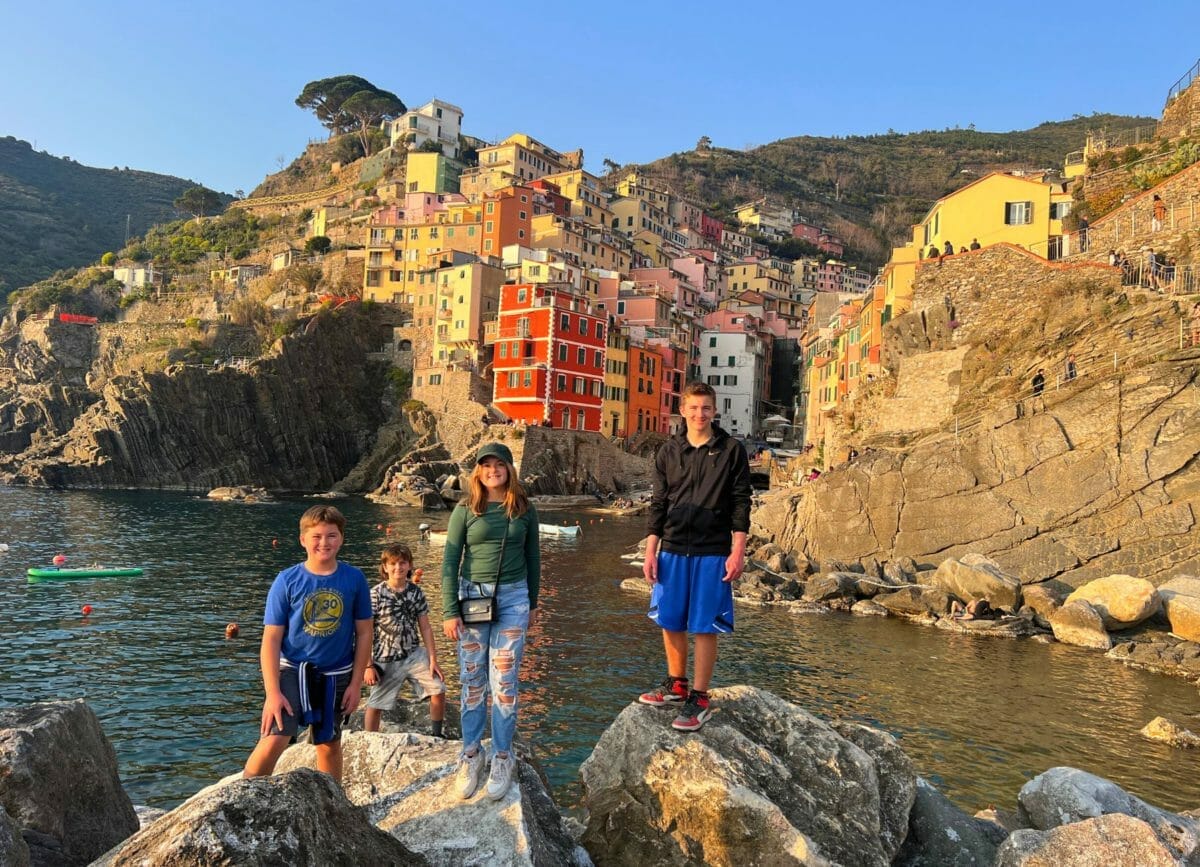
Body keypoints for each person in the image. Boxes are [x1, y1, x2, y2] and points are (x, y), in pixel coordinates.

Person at [639, 381, 751, 732]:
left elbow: (740, 503)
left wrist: (738, 551)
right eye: (693, 408)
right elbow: (658, 504)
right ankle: (676, 684)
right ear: (683, 411)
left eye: (706, 408)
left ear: (714, 411)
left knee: (705, 624)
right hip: (671, 547)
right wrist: (650, 551)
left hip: (712, 550)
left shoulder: (731, 450)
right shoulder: (668, 452)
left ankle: (699, 697)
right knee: (670, 619)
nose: (699, 414)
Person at [243, 506, 373, 784]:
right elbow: (271, 639)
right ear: (303, 539)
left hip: (337, 674)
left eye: (331, 536)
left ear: (341, 539)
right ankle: (245, 792)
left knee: (328, 742)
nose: (323, 543)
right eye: (316, 536)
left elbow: (364, 633)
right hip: (292, 670)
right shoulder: (287, 581)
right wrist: (272, 692)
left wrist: (355, 683)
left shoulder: (354, 579)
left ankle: (333, 802)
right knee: (275, 736)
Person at [442, 442, 540, 801]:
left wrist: (533, 602)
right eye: (486, 465)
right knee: (472, 681)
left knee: (505, 681)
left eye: (499, 464)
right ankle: (471, 753)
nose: (492, 470)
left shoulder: (525, 509)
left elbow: (533, 557)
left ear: (510, 469)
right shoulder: (466, 509)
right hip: (472, 599)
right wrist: (449, 609)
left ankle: (502, 755)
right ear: (478, 472)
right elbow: (451, 559)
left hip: (514, 599)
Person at [363, 543, 446, 737]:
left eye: (402, 563)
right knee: (375, 704)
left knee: (438, 689)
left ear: (409, 566)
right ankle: (369, 740)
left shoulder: (416, 593)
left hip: (413, 654)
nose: (398, 567)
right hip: (385, 657)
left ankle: (437, 734)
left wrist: (433, 659)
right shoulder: (375, 594)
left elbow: (425, 626)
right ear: (385, 567)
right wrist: (368, 665)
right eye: (392, 564)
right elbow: (365, 631)